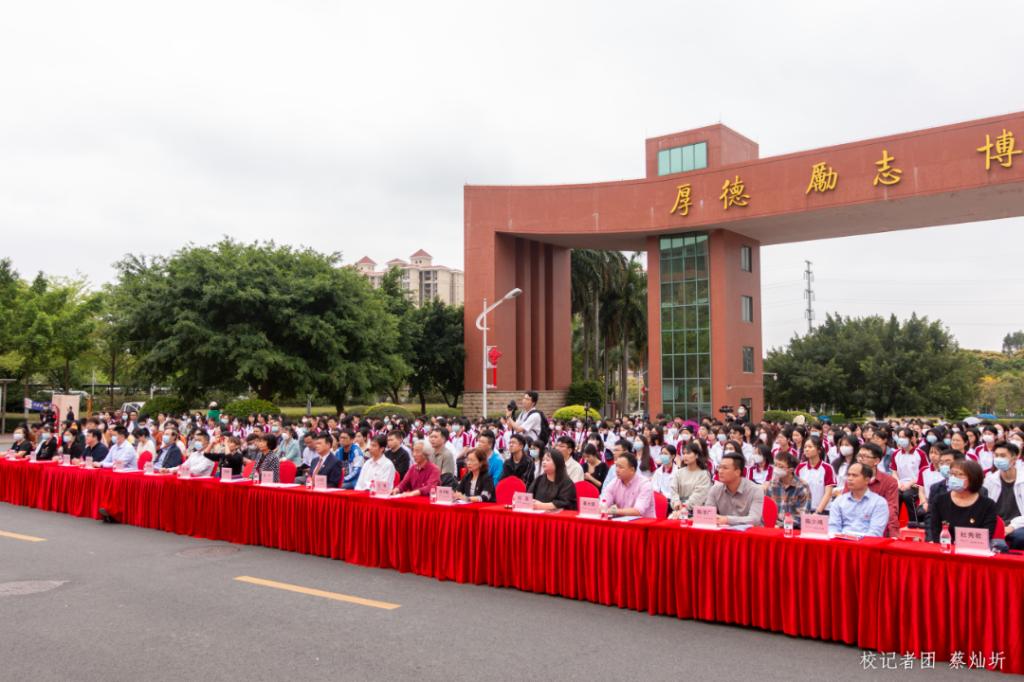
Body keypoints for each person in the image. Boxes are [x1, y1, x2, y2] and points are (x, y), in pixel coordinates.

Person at [929, 459, 998, 544]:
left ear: (973, 478)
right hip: (945, 548)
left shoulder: (988, 505)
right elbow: (935, 531)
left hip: (974, 549)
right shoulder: (939, 500)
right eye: (952, 474)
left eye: (960, 474)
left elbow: (986, 535)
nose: (954, 478)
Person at [850, 443, 900, 538]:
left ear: (876, 461)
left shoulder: (889, 482)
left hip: (878, 529)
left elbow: (891, 509)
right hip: (853, 528)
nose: (860, 459)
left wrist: (893, 534)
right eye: (859, 456)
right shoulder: (851, 479)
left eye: (865, 456)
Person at [828, 462, 890, 537]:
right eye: (848, 475)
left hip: (866, 543)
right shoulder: (839, 501)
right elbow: (833, 528)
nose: (850, 479)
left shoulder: (879, 503)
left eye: (854, 475)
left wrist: (854, 539)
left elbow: (875, 533)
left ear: (867, 480)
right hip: (841, 542)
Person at [704, 452, 764, 527]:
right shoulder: (715, 489)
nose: (720, 471)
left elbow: (754, 519)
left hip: (750, 532)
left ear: (737, 472)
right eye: (719, 467)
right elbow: (707, 515)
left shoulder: (755, 490)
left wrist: (727, 520)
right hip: (724, 531)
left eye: (725, 468)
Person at [982, 442, 1024, 549]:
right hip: (995, 523)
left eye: (1003, 456)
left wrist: (1012, 526)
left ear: (1014, 458)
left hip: (1019, 524)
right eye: (996, 455)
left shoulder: (1022, 479)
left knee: (1020, 537)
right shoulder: (989, 480)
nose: (998, 459)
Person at [600, 452, 656, 518]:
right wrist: (602, 507)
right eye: (616, 466)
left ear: (632, 470)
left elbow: (638, 511)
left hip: (643, 523)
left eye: (621, 467)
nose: (617, 470)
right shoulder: (614, 482)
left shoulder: (645, 484)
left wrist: (613, 511)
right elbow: (604, 502)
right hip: (622, 522)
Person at [764, 452, 811, 528]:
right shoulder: (772, 484)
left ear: (791, 470)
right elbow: (766, 509)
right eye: (775, 465)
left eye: (780, 466)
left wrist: (782, 526)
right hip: (773, 527)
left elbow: (803, 515)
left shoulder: (802, 486)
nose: (776, 469)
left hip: (794, 529)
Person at [667, 441, 712, 518]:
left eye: (688, 453)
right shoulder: (679, 472)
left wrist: (685, 507)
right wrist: (676, 502)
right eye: (684, 453)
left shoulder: (704, 474)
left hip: (696, 512)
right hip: (678, 509)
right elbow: (673, 490)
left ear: (696, 455)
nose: (685, 456)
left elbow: (699, 496)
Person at [795, 436, 835, 514]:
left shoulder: (827, 468)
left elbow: (828, 493)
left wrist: (817, 512)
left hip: (823, 511)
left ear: (819, 450)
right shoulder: (800, 467)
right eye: (805, 447)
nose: (807, 449)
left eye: (810, 447)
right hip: (803, 510)